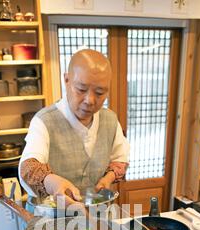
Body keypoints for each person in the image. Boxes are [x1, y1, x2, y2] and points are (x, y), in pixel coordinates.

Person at [18, 49, 129, 207]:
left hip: (96, 215)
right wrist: (53, 183)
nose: (89, 100)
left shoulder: (110, 120)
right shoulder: (44, 121)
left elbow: (120, 158)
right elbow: (28, 167)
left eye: (99, 93)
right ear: (67, 80)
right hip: (52, 219)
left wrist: (108, 178)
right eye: (81, 90)